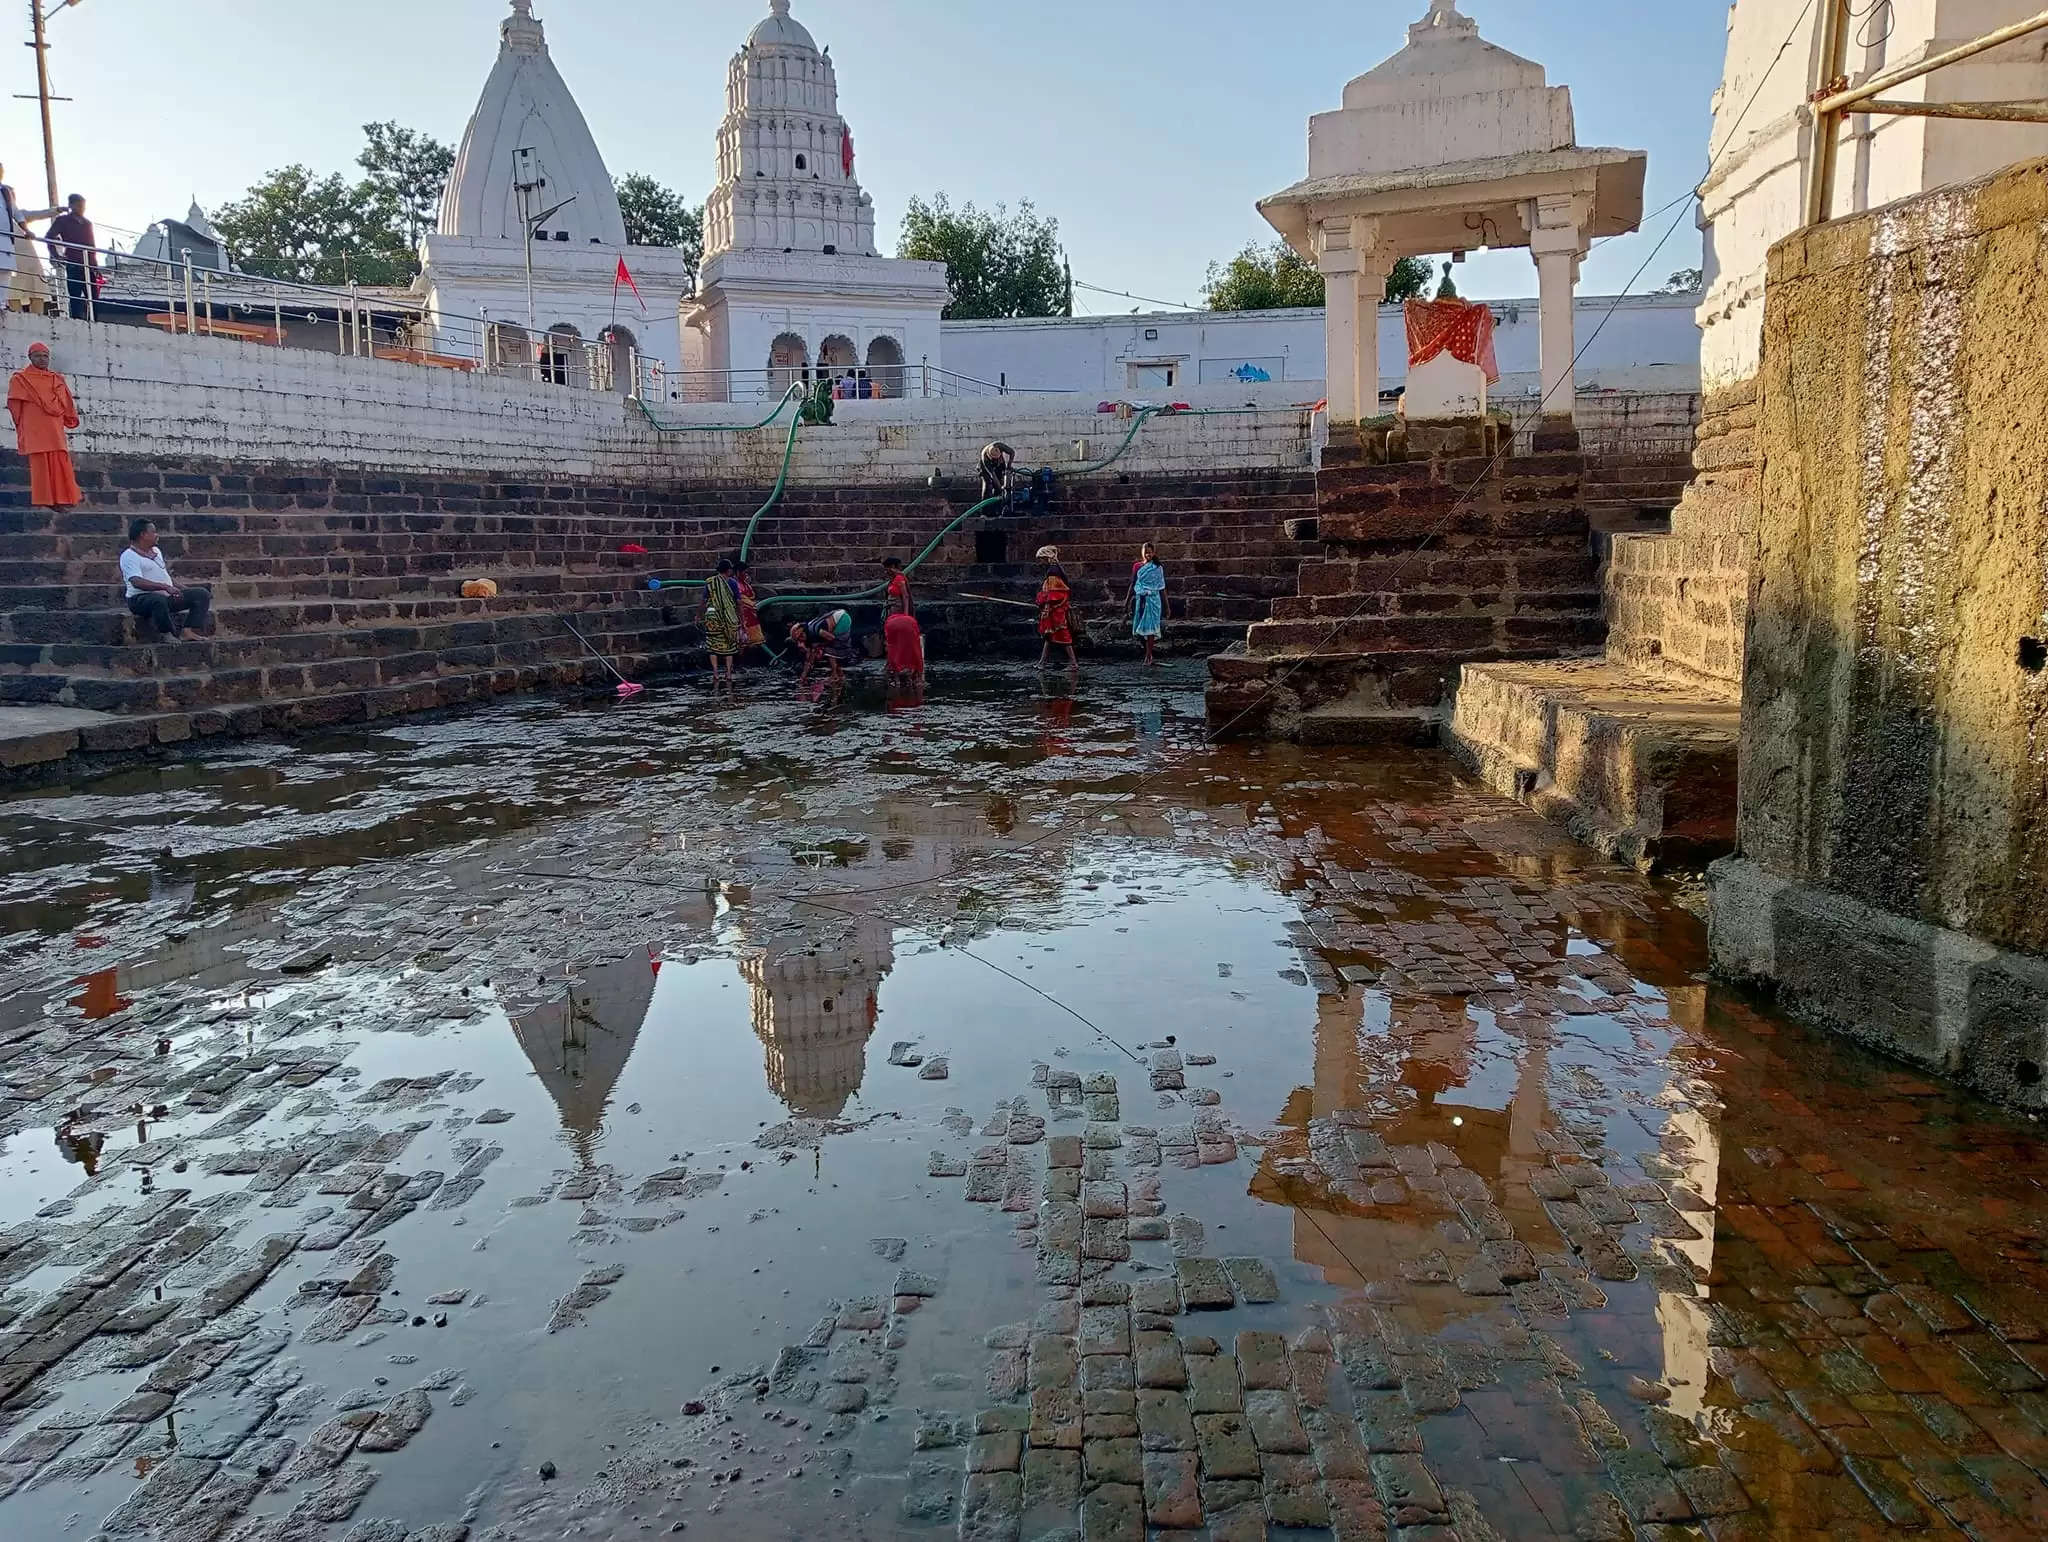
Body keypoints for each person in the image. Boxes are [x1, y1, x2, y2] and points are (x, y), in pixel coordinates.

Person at [9, 342, 80, 509]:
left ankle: (63, 498)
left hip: (54, 428)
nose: (42, 359)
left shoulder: (57, 379)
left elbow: (67, 403)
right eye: (38, 356)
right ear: (30, 358)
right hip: (35, 428)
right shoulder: (20, 379)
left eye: (45, 356)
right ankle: (46, 500)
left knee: (59, 460)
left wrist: (69, 418)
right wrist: (22, 425)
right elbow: (15, 405)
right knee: (40, 464)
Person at [120, 518, 212, 640]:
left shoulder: (156, 551)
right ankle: (166, 633)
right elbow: (136, 582)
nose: (157, 535)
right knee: (158, 600)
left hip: (165, 596)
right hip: (140, 600)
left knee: (201, 594)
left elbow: (164, 575)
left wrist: (182, 589)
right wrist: (165, 587)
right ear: (143, 535)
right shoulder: (129, 556)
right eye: (153, 532)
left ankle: (187, 631)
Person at [45, 195, 97, 321]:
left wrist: (95, 266)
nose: (81, 209)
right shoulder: (63, 220)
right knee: (75, 295)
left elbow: (92, 246)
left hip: (88, 264)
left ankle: (94, 319)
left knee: (94, 295)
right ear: (71, 205)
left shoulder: (87, 223)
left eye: (83, 206)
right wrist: (56, 255)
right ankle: (77, 321)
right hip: (73, 262)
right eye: (79, 205)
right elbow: (49, 236)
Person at [881, 557, 925, 692]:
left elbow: (905, 597)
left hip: (898, 612)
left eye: (887, 568)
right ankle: (892, 663)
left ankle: (902, 665)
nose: (886, 571)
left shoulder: (900, 578)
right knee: (891, 639)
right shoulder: (893, 579)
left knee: (900, 640)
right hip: (891, 612)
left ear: (893, 566)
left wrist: (906, 615)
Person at [788, 608, 855, 692]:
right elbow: (809, 659)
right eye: (799, 640)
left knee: (829, 649)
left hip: (842, 619)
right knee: (826, 649)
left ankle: (834, 675)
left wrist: (820, 645)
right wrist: (803, 677)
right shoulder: (810, 636)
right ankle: (840, 675)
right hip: (838, 616)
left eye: (801, 636)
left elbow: (831, 638)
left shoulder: (816, 630)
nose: (802, 640)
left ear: (803, 631)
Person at [700, 557, 742, 687]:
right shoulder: (733, 583)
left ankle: (715, 673)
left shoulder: (710, 582)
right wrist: (742, 619)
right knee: (729, 645)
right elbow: (739, 602)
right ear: (729, 570)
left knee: (713, 645)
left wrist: (698, 615)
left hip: (712, 617)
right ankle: (728, 673)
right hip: (729, 617)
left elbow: (703, 601)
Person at [1035, 545, 1077, 672]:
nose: (1040, 562)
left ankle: (1073, 663)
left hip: (1055, 609)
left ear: (1046, 558)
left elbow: (1054, 593)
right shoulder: (1056, 569)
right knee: (1049, 636)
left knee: (1062, 634)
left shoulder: (1053, 571)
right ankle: (1042, 662)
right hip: (1056, 608)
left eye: (1041, 559)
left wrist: (1046, 605)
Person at [1129, 542, 1167, 666]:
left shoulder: (1157, 567)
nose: (1147, 554)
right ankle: (1148, 653)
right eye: (1145, 552)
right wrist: (1126, 601)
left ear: (1153, 553)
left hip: (1153, 600)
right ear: (1142, 553)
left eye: (1150, 552)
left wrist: (1167, 606)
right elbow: (1133, 584)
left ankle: (1148, 656)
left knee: (1150, 629)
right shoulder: (1137, 566)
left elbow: (1161, 587)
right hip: (1141, 599)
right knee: (1140, 629)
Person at [735, 560, 766, 657]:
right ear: (738, 572)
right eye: (744, 572)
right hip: (740, 614)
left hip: (751, 614)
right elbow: (740, 598)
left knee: (752, 641)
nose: (746, 574)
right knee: (741, 640)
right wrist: (752, 605)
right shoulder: (734, 583)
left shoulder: (745, 583)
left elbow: (751, 595)